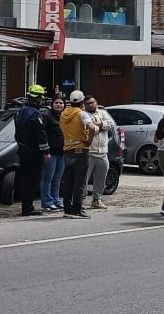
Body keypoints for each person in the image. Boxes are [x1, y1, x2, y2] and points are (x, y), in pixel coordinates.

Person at [12, 85, 51, 216]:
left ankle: (26, 207)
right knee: (33, 180)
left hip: (22, 150)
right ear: (38, 99)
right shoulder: (35, 114)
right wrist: (46, 152)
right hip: (33, 152)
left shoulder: (20, 111)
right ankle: (28, 208)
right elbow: (40, 134)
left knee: (25, 179)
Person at [59, 90, 95, 219]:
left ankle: (67, 208)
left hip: (67, 150)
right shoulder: (82, 114)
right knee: (79, 182)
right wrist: (89, 140)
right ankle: (77, 209)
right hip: (80, 150)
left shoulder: (63, 114)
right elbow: (93, 128)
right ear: (82, 102)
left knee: (68, 181)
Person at [83, 96, 115, 209]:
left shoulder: (102, 112)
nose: (90, 105)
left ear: (96, 102)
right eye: (87, 103)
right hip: (88, 152)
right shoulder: (83, 114)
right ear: (84, 105)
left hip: (102, 152)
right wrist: (97, 127)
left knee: (101, 178)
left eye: (92, 102)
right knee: (84, 179)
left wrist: (99, 125)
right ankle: (80, 201)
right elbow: (84, 128)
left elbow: (111, 123)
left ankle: (96, 200)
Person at [40, 96, 67, 211]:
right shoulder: (47, 116)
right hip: (50, 152)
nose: (59, 105)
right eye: (57, 102)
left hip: (62, 152)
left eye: (61, 103)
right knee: (48, 178)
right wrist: (45, 151)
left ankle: (56, 200)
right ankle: (47, 202)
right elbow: (42, 134)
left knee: (58, 178)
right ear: (52, 104)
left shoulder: (65, 117)